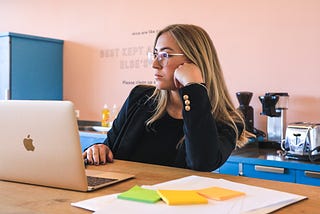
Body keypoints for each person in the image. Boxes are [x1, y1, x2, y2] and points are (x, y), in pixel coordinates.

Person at [83, 24, 249, 172]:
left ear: (194, 61)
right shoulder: (140, 98)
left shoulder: (228, 121)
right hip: (122, 199)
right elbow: (109, 146)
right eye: (155, 54)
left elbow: (202, 163)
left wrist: (194, 88)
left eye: (165, 55)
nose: (154, 63)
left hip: (177, 205)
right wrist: (98, 149)